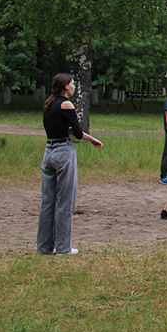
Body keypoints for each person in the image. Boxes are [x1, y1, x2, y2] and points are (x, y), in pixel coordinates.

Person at [37, 73, 103, 255]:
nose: (74, 86)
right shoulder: (67, 104)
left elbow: (60, 129)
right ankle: (63, 247)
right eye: (73, 83)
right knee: (65, 201)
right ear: (65, 86)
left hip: (48, 152)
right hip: (63, 153)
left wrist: (91, 139)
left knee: (48, 202)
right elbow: (78, 132)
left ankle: (44, 247)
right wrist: (89, 138)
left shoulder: (49, 104)